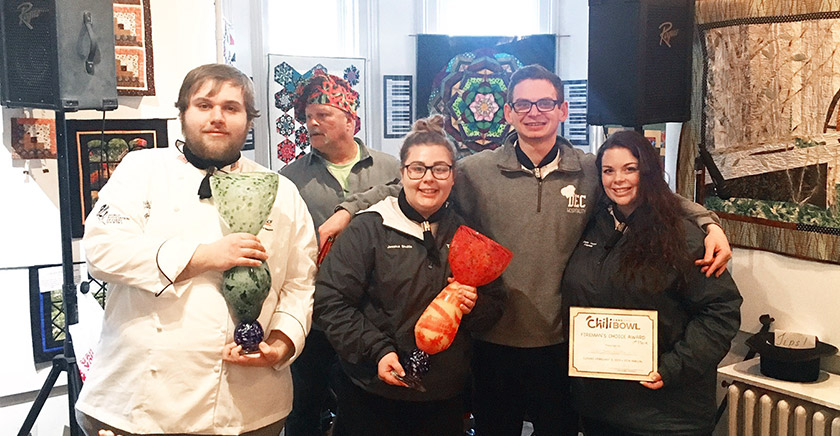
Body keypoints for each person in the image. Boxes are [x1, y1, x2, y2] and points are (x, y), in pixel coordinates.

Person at [321, 64, 732, 435]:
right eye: (523, 104)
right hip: (490, 343)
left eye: (544, 103)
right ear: (508, 113)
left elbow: (648, 189)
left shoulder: (590, 169)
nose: (534, 112)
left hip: (560, 343)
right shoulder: (476, 171)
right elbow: (415, 183)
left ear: (562, 110)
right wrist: (347, 210)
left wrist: (708, 221)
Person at [74, 64, 318, 436]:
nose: (217, 117)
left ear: (248, 120)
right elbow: (103, 250)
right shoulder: (142, 170)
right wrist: (202, 256)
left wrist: (282, 343)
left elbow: (301, 283)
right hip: (140, 404)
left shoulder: (281, 191)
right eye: (204, 105)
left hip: (250, 406)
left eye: (231, 108)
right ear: (183, 113)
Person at [313, 116, 505, 436]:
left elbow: (496, 304)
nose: (428, 179)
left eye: (440, 169)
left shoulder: (468, 236)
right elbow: (330, 301)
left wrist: (477, 305)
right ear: (402, 174)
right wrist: (378, 351)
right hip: (370, 391)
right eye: (417, 168)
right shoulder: (369, 228)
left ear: (453, 176)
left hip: (442, 396)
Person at [561, 130, 742, 435]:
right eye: (608, 170)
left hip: (667, 414)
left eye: (630, 168)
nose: (618, 179)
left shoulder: (684, 237)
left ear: (648, 171)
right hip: (600, 408)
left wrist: (672, 368)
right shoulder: (592, 226)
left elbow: (720, 313)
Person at [281, 71, 401, 436]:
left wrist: (350, 209)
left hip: (374, 314)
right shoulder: (289, 178)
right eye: (307, 117)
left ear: (351, 120)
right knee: (304, 407)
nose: (312, 124)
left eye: (323, 115)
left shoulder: (391, 169)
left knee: (366, 409)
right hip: (316, 314)